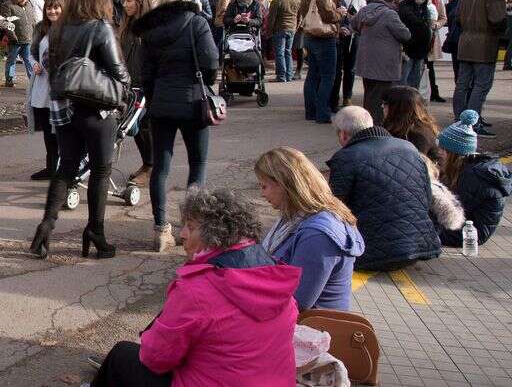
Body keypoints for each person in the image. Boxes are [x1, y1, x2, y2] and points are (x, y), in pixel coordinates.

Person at [92, 189, 299, 387]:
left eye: (190, 227)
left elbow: (155, 358)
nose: (182, 234)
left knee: (122, 356)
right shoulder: (274, 275)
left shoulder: (197, 289)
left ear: (214, 234)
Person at [28, 0, 130, 260]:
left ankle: (45, 228)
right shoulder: (100, 27)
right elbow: (119, 73)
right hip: (96, 108)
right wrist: (124, 92)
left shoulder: (58, 30)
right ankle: (96, 232)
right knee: (100, 170)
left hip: (63, 107)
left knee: (66, 167)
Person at [134, 0, 218, 252]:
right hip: (193, 101)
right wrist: (206, 82)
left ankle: (161, 229)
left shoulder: (150, 31)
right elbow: (210, 61)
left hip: (162, 103)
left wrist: (153, 94)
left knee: (161, 167)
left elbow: (144, 72)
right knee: (198, 164)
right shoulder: (197, 23)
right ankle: (192, 228)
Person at [327, 106, 441, 271]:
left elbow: (335, 206)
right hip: (420, 246)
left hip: (370, 254)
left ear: (343, 134)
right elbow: (427, 196)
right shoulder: (409, 148)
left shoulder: (346, 157)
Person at [256, 148, 365, 310]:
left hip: (312, 327)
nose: (261, 194)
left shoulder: (318, 236)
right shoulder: (296, 215)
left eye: (264, 186)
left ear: (285, 185)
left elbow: (298, 302)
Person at [437, 111, 512, 247]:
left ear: (454, 154)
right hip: (464, 228)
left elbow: (451, 213)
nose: (439, 153)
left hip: (470, 235)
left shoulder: (472, 176)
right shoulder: (466, 169)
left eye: (443, 149)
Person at [453, 0, 506, 137]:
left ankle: (460, 121)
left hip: (465, 42)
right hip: (484, 44)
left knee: (462, 84)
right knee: (481, 85)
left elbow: (458, 17)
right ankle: (472, 124)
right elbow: (497, 20)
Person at [351, 0, 410, 124]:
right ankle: (375, 128)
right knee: (381, 99)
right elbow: (406, 35)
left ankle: (365, 124)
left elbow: (354, 25)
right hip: (384, 63)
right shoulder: (390, 14)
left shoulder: (365, 10)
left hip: (366, 62)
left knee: (369, 96)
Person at [298, 0, 343, 124]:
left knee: (312, 75)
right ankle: (322, 113)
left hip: (309, 36)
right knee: (327, 76)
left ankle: (310, 111)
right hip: (323, 38)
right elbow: (328, 15)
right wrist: (340, 14)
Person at [27, 0, 65, 181]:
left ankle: (64, 168)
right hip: (42, 88)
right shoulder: (40, 28)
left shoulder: (69, 29)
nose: (52, 11)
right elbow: (32, 52)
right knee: (48, 133)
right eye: (49, 8)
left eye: (56, 7)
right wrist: (33, 63)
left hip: (60, 89)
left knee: (60, 131)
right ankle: (51, 167)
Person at [117, 0, 153, 186]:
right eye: (124, 0)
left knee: (144, 126)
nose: (125, 4)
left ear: (139, 2)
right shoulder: (128, 24)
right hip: (131, 84)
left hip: (144, 84)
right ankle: (147, 164)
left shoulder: (147, 26)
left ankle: (151, 166)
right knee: (136, 128)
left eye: (129, 0)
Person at [381, 85, 441, 162]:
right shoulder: (396, 125)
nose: (382, 106)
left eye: (385, 103)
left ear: (398, 108)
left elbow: (414, 166)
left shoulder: (418, 134)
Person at [398, 0, 434, 90]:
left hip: (421, 53)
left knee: (414, 86)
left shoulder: (424, 7)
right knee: (403, 86)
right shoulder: (405, 6)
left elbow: (427, 27)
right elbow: (418, 23)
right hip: (407, 53)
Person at [267, 0, 299, 82]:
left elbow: (271, 18)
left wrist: (269, 30)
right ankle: (289, 75)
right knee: (288, 52)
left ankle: (281, 76)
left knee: (280, 52)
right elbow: (300, 16)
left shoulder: (277, 1)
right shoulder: (296, 0)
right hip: (292, 28)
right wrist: (297, 26)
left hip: (280, 28)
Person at [4, 0, 36, 87]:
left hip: (28, 38)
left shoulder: (29, 4)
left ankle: (33, 80)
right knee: (12, 60)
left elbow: (32, 20)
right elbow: (6, 23)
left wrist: (35, 34)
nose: (24, 1)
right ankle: (9, 80)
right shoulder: (8, 5)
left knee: (29, 60)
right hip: (15, 39)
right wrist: (12, 37)